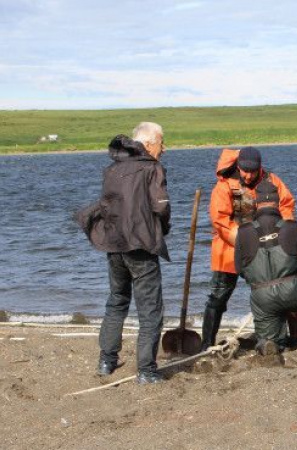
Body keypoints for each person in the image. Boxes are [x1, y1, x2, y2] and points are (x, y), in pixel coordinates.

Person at [75, 122, 170, 384]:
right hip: (139, 245)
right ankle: (147, 371)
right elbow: (161, 207)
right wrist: (164, 229)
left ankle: (107, 360)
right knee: (150, 309)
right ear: (149, 143)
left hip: (114, 245)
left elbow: (108, 206)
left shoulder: (113, 169)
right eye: (162, 143)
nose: (164, 149)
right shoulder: (152, 168)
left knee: (117, 300)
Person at [200, 146, 295, 351]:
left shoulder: (272, 181)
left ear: (260, 167)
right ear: (238, 166)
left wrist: (284, 232)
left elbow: (286, 206)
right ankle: (206, 344)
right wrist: (246, 243)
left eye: (253, 171)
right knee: (217, 298)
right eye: (245, 171)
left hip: (264, 249)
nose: (249, 175)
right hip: (228, 250)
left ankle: (270, 340)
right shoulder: (224, 185)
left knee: (268, 295)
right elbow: (220, 220)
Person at [234, 183, 297, 361]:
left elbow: (239, 269)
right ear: (278, 202)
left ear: (257, 203)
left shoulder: (243, 232)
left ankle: (269, 344)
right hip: (293, 291)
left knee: (269, 339)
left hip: (262, 298)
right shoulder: (292, 227)